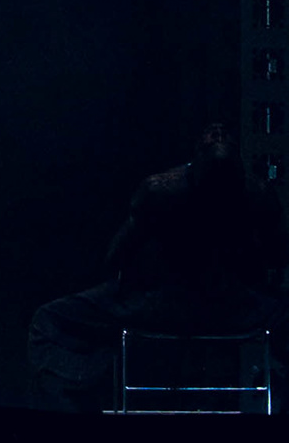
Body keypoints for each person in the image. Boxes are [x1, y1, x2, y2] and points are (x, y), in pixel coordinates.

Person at [27, 123, 287, 412]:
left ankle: (79, 401)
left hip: (172, 307)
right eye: (214, 134)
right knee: (51, 319)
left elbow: (115, 258)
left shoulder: (162, 190)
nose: (218, 134)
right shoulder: (256, 194)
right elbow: (276, 260)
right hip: (226, 309)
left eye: (222, 134)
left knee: (49, 321)